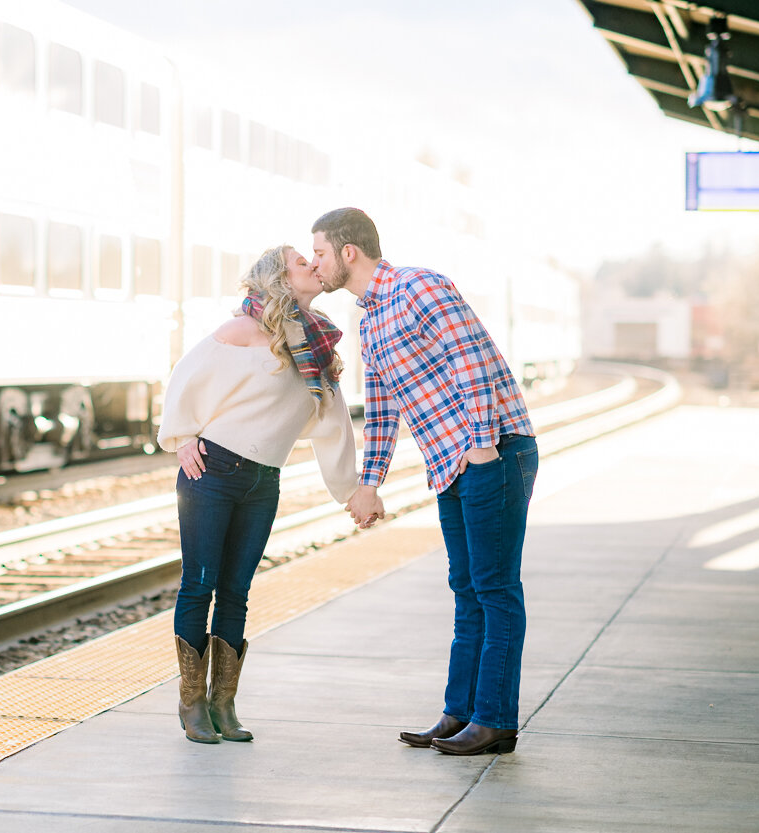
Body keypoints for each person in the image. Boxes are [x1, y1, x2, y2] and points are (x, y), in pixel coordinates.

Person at [310, 207, 538, 756]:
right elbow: (384, 408)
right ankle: (460, 713)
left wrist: (482, 450)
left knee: (495, 589)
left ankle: (495, 722)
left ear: (349, 253)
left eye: (318, 252)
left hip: (494, 453)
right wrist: (369, 483)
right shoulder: (370, 318)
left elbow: (472, 366)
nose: (314, 263)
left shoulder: (419, 287)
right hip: (453, 463)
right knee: (467, 590)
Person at [158, 245, 358, 744]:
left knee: (236, 593)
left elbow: (333, 422)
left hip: (263, 480)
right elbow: (184, 381)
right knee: (199, 584)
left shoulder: (315, 346)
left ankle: (224, 702)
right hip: (213, 472)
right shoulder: (242, 331)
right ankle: (192, 703)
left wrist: (351, 489)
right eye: (299, 261)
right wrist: (182, 440)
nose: (313, 265)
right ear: (279, 280)